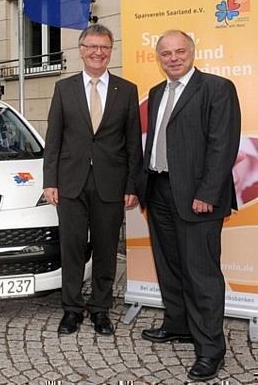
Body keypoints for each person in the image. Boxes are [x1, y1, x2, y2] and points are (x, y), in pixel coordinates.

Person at [139, 30, 241, 382]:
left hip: (199, 197)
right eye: (165, 53)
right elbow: (154, 143)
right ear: (159, 57)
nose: (173, 58)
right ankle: (178, 325)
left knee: (202, 275)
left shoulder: (216, 88)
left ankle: (210, 350)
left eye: (180, 51)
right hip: (160, 191)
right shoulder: (155, 93)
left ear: (192, 53)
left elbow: (222, 146)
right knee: (170, 266)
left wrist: (208, 193)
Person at [43, 24, 142, 336]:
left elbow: (132, 144)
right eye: (93, 47)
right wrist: (50, 181)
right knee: (71, 249)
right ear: (81, 50)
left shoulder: (126, 90)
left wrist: (131, 185)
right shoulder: (64, 88)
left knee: (106, 249)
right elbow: (54, 138)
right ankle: (71, 309)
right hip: (70, 183)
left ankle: (100, 309)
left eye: (105, 47)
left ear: (111, 51)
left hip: (110, 184)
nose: (99, 52)